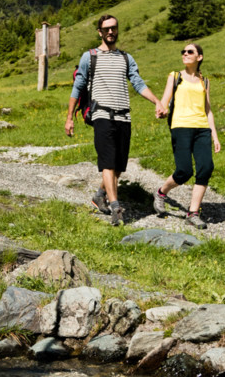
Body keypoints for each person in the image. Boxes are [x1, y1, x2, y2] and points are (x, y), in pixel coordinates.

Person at [65, 15, 163, 226]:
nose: (111, 32)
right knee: (107, 163)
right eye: (106, 29)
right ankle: (115, 206)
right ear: (100, 32)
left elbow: (137, 83)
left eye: (114, 28)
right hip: (101, 114)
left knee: (118, 166)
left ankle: (99, 195)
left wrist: (156, 101)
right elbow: (78, 87)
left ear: (117, 30)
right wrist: (69, 117)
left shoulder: (126, 58)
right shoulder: (89, 57)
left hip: (123, 116)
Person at [151, 42, 221, 229]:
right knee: (184, 171)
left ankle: (193, 213)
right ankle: (161, 192)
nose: (185, 54)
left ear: (199, 57)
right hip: (180, 127)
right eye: (183, 51)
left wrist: (214, 135)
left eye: (190, 51)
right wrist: (162, 111)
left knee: (206, 168)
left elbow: (208, 110)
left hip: (202, 128)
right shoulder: (175, 77)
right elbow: (165, 101)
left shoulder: (204, 81)